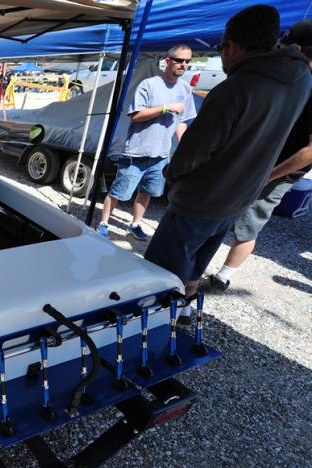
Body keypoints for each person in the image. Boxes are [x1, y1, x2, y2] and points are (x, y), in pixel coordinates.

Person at [143, 4, 312, 323]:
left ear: (232, 46)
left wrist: (172, 176)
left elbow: (191, 154)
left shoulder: (233, 89)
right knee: (198, 261)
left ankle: (157, 325)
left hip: (201, 198)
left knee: (163, 270)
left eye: (221, 48)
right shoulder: (302, 81)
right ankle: (185, 313)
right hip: (240, 196)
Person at [204, 19, 312, 292]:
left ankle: (222, 277)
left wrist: (268, 176)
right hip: (258, 162)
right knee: (221, 214)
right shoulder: (295, 81)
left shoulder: (303, 82)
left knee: (247, 223)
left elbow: (310, 151)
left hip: (276, 171)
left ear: (297, 49)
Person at [98, 45, 196, 240]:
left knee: (147, 192)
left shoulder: (185, 89)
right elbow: (135, 115)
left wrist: (185, 146)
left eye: (187, 61)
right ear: (167, 61)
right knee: (119, 192)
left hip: (161, 155)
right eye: (179, 60)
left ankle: (135, 224)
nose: (183, 65)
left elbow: (181, 122)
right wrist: (165, 108)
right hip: (136, 152)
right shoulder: (149, 84)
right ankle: (103, 223)